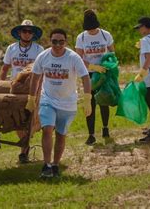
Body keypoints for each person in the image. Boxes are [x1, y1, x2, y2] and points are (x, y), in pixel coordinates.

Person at [25, 28, 92, 178]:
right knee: (47, 129)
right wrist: (31, 98)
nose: (57, 45)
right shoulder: (43, 56)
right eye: (54, 41)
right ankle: (46, 165)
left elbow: (85, 77)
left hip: (68, 103)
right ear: (50, 41)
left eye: (61, 41)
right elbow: (35, 78)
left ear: (65, 42)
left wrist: (87, 99)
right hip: (48, 99)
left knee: (61, 135)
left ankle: (55, 164)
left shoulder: (73, 57)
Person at [0, 19, 44, 163]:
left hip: (32, 87)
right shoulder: (11, 48)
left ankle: (24, 149)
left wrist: (39, 89)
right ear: (19, 33)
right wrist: (1, 84)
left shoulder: (39, 50)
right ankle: (24, 146)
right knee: (17, 119)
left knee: (30, 117)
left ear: (33, 34)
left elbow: (42, 71)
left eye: (30, 31)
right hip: (15, 87)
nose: (27, 34)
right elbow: (5, 68)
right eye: (24, 31)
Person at [75, 9, 115, 145]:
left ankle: (105, 128)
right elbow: (79, 58)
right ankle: (91, 134)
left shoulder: (105, 35)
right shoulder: (81, 38)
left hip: (103, 72)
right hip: (88, 74)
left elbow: (112, 52)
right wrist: (93, 67)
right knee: (89, 102)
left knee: (104, 100)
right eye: (89, 29)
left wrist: (109, 66)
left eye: (94, 29)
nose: (92, 31)